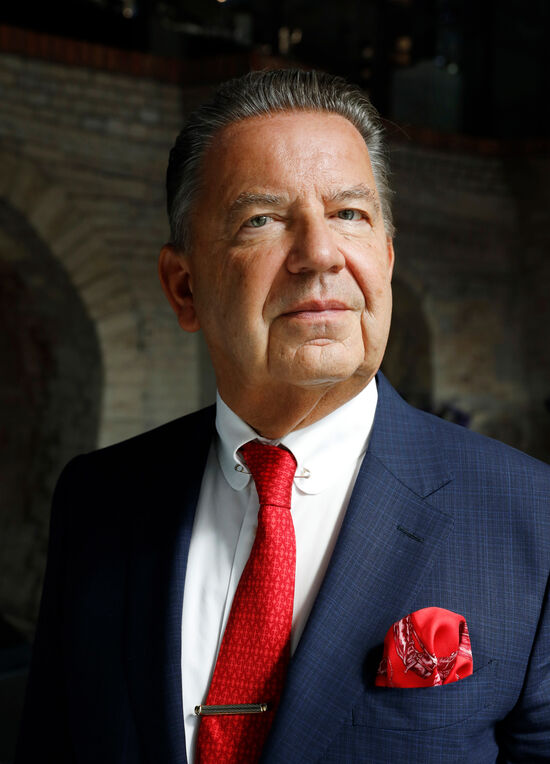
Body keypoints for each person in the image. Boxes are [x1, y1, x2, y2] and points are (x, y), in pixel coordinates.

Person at [17, 69, 549, 763]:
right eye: (261, 219)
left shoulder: (530, 517)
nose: (321, 253)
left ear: (385, 263)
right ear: (184, 288)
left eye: (349, 214)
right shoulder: (98, 501)